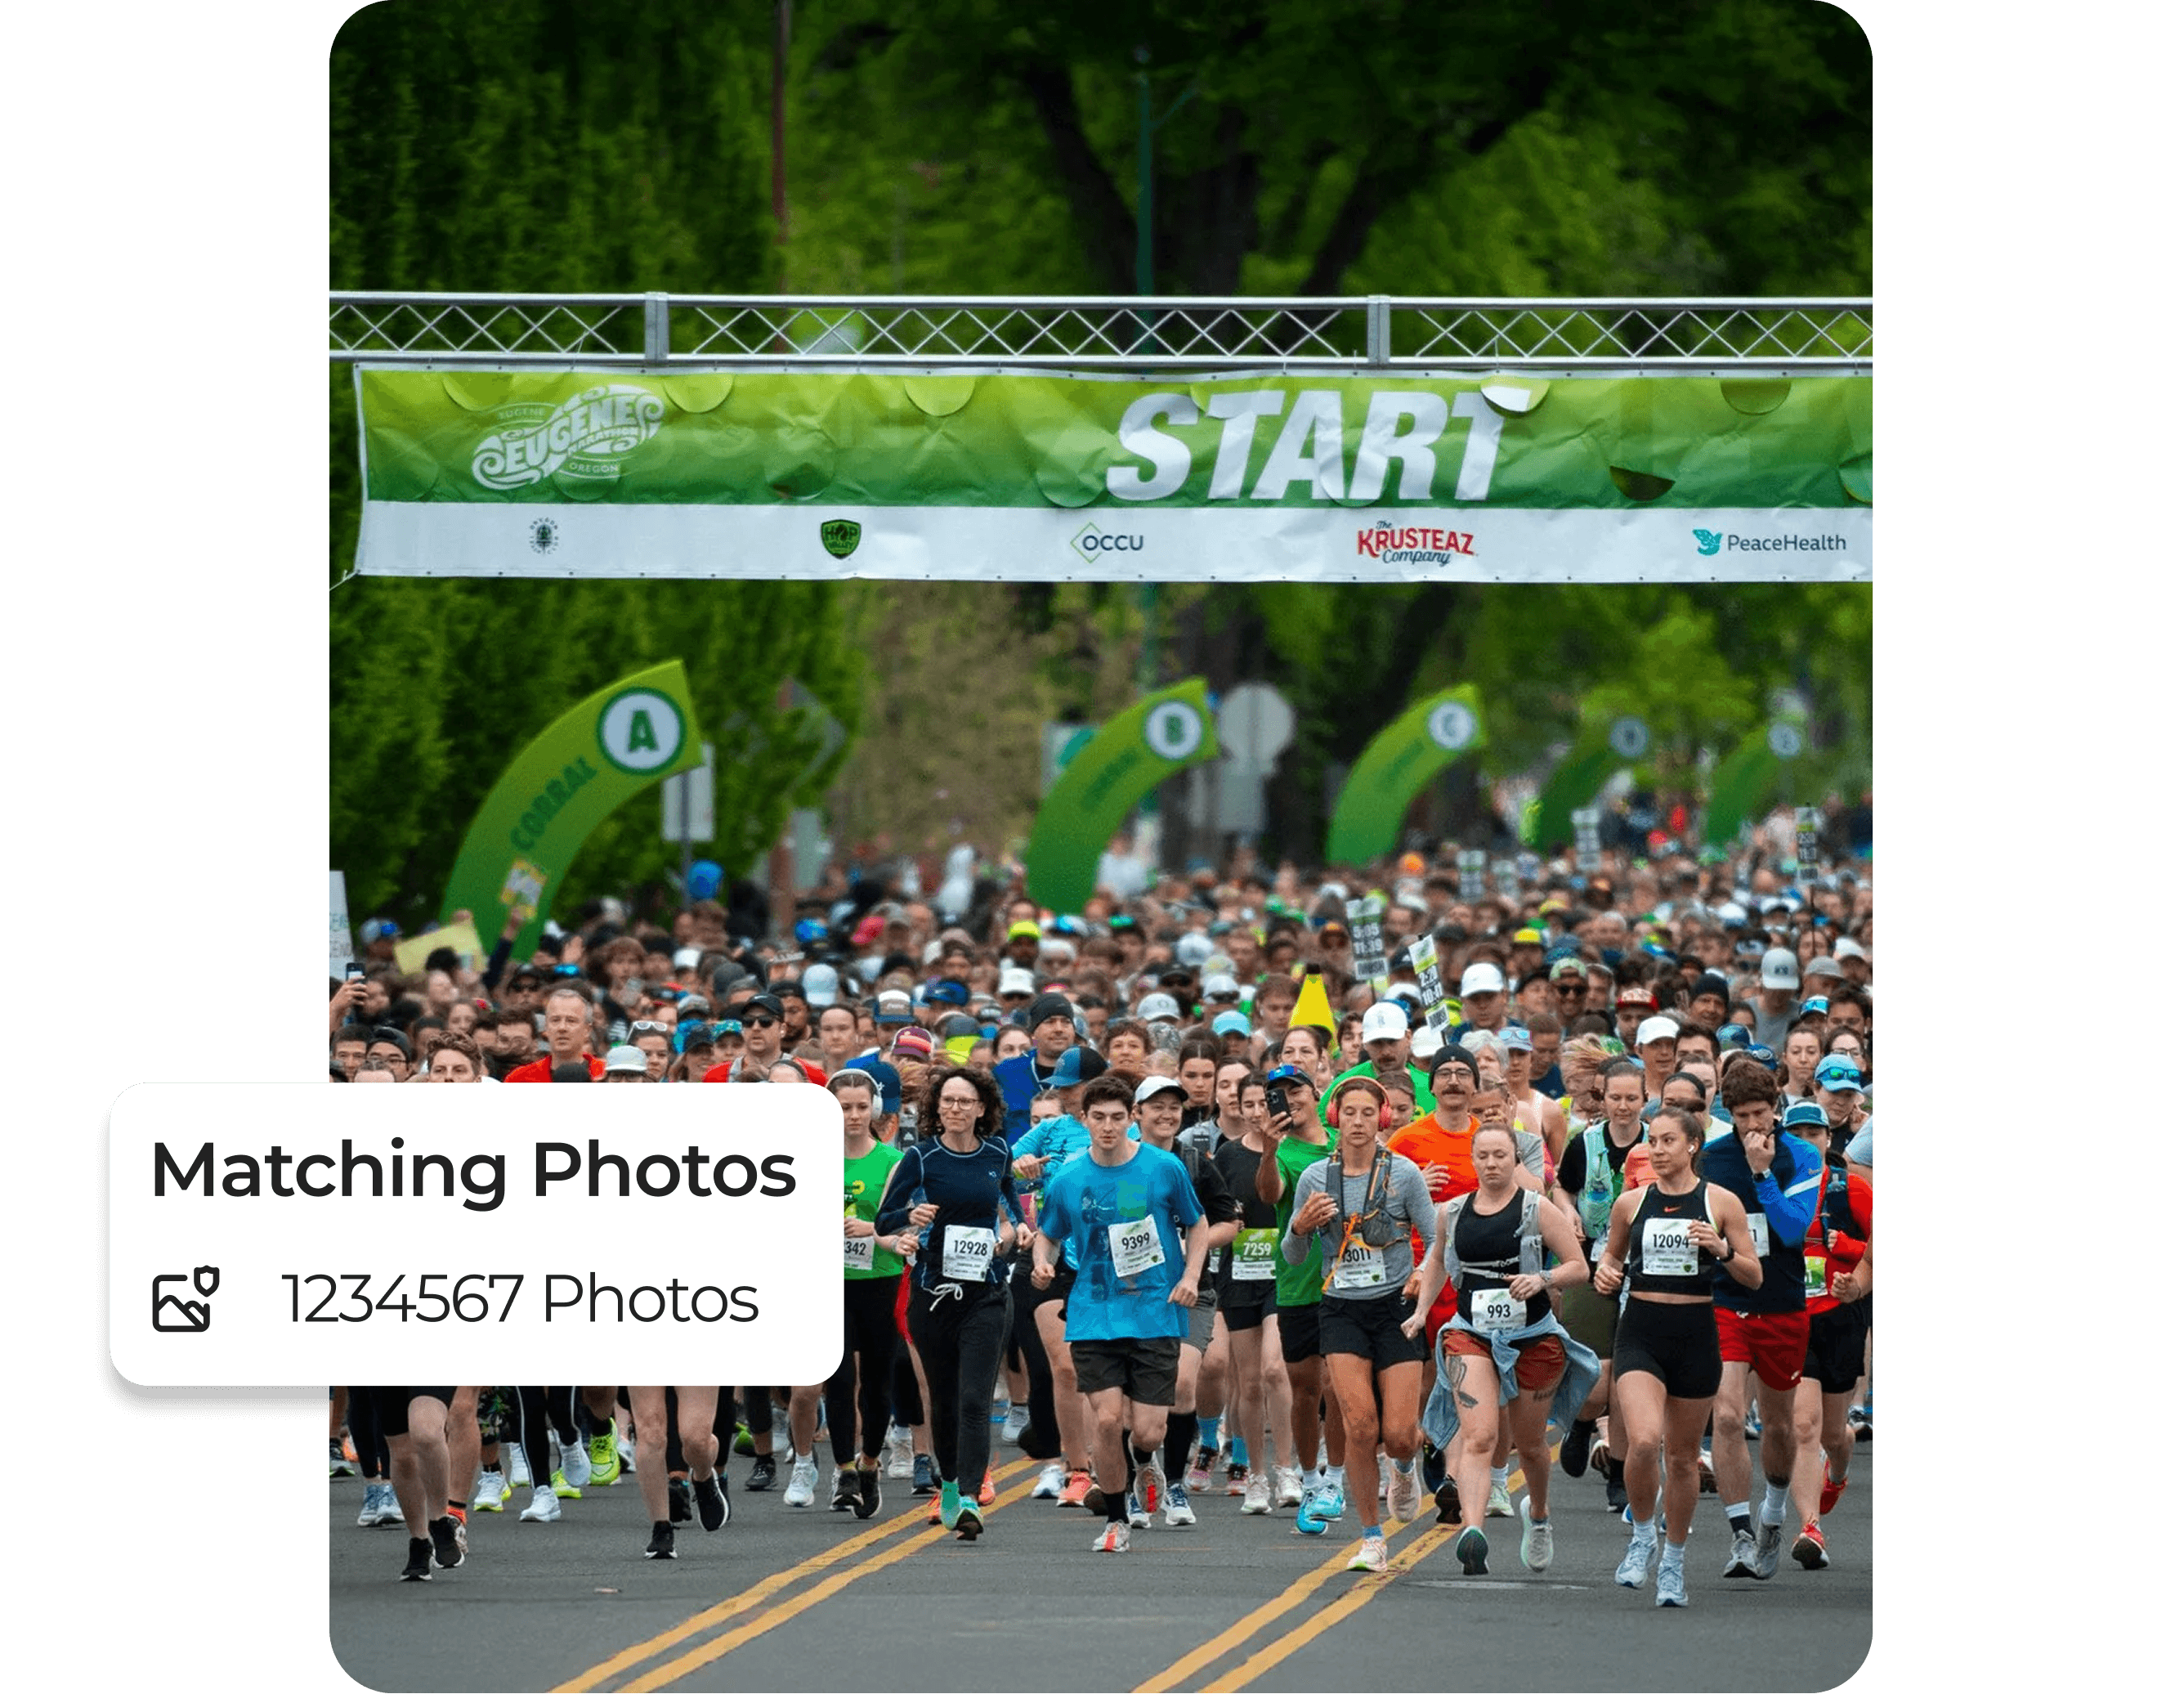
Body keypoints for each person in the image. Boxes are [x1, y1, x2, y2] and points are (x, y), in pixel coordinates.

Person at [1591, 1107, 1765, 1607]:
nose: (1658, 1149)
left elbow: (1754, 1275)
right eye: (1653, 1141)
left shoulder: (1720, 1202)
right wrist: (1605, 1275)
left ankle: (1674, 1562)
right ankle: (1643, 1535)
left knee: (1684, 1459)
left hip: (1695, 1334)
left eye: (1668, 1140)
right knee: (1644, 1441)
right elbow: (1611, 1260)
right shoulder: (1630, 1203)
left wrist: (1722, 1251)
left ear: (1693, 1146)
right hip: (1641, 1331)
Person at [1409, 1123, 1599, 1575]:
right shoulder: (1452, 1212)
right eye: (1484, 1156)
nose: (1492, 1164)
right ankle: (1473, 1532)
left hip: (1533, 1336)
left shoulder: (1538, 1210)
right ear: (1473, 1161)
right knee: (1479, 1437)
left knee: (1531, 1445)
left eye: (1501, 1155)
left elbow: (1580, 1268)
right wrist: (1421, 1312)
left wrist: (1543, 1279)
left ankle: (1539, 1517)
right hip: (1470, 1334)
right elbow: (1437, 1263)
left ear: (1516, 1159)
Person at [1032, 1073, 1211, 1553]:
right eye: (1099, 1118)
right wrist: (1042, 1262)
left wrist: (1190, 1277)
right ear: (1083, 1120)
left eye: (1117, 1117)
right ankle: (1116, 1520)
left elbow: (1197, 1224)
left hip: (1154, 1309)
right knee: (1109, 1421)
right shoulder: (1070, 1177)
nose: (1108, 1127)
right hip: (1094, 1312)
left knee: (1150, 1429)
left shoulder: (1163, 1168)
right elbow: (1048, 1231)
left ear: (1131, 1118)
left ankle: (1145, 1462)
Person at [1282, 1075, 1437, 1573]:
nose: (1358, 1122)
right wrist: (1302, 1226)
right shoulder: (1314, 1179)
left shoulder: (1405, 1175)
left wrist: (1419, 1273)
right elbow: (1293, 1252)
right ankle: (1372, 1537)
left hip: (1395, 1305)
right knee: (1360, 1425)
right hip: (1341, 1307)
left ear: (1383, 1118)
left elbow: (1436, 1240)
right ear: (1335, 1118)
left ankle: (1407, 1467)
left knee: (1398, 1433)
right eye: (1349, 1112)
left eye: (1368, 1113)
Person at [873, 1065, 1027, 1539]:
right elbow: (884, 1221)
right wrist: (910, 1215)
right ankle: (952, 1487)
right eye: (948, 1101)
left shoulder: (999, 1152)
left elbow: (1011, 1206)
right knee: (943, 1400)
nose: (956, 1109)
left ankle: (972, 1498)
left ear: (982, 1109)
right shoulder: (921, 1157)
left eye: (966, 1102)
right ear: (937, 1109)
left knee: (975, 1399)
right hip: (933, 1294)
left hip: (986, 1293)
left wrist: (1014, 1232)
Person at [1705, 1062, 1826, 1581]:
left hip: (1782, 1303)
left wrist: (1761, 1175)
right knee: (1729, 1417)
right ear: (1728, 1114)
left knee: (1779, 1425)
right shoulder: (1711, 1159)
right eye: (1743, 1116)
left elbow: (1794, 1231)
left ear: (1776, 1107)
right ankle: (1739, 1532)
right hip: (1725, 1300)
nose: (1755, 1125)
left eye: (1762, 1113)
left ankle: (1774, 1512)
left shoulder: (1802, 1154)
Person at [1128, 1074, 1242, 1526]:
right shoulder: (1120, 1162)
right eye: (1155, 1106)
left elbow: (1229, 1221)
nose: (1166, 1114)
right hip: (1132, 1293)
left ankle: (1173, 1484)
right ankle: (1140, 1476)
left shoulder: (1195, 1161)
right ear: (1136, 1114)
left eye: (1174, 1106)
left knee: (1180, 1384)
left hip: (1192, 1290)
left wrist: (1189, 1247)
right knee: (1132, 1398)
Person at [1255, 1063, 1345, 1526]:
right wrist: (1269, 1153)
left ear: (1316, 1093)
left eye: (1296, 1091)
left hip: (1349, 1283)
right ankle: (1310, 1481)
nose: (1289, 1100)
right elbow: (1271, 1195)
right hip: (1298, 1285)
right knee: (1306, 1391)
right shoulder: (1284, 1152)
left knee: (1340, 1386)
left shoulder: (1343, 1139)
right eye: (1278, 1095)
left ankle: (1340, 1478)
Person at [1783, 1097, 1871, 1569]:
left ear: (1828, 1139)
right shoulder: (1772, 1189)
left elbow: (1876, 1254)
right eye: (1794, 1133)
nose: (1804, 1141)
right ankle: (1810, 1528)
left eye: (1813, 1133)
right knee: (1804, 1428)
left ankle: (1839, 1468)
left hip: (1841, 1317)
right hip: (1794, 1320)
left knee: (1835, 1433)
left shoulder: (1850, 1189)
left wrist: (1852, 1275)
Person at [824, 1068, 903, 1519]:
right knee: (837, 1378)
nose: (852, 1116)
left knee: (877, 1380)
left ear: (873, 1110)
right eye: (842, 1107)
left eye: (859, 1107)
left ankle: (870, 1461)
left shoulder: (892, 1161)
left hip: (880, 1277)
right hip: (831, 1282)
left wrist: (872, 1229)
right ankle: (844, 1470)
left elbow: (901, 1222)